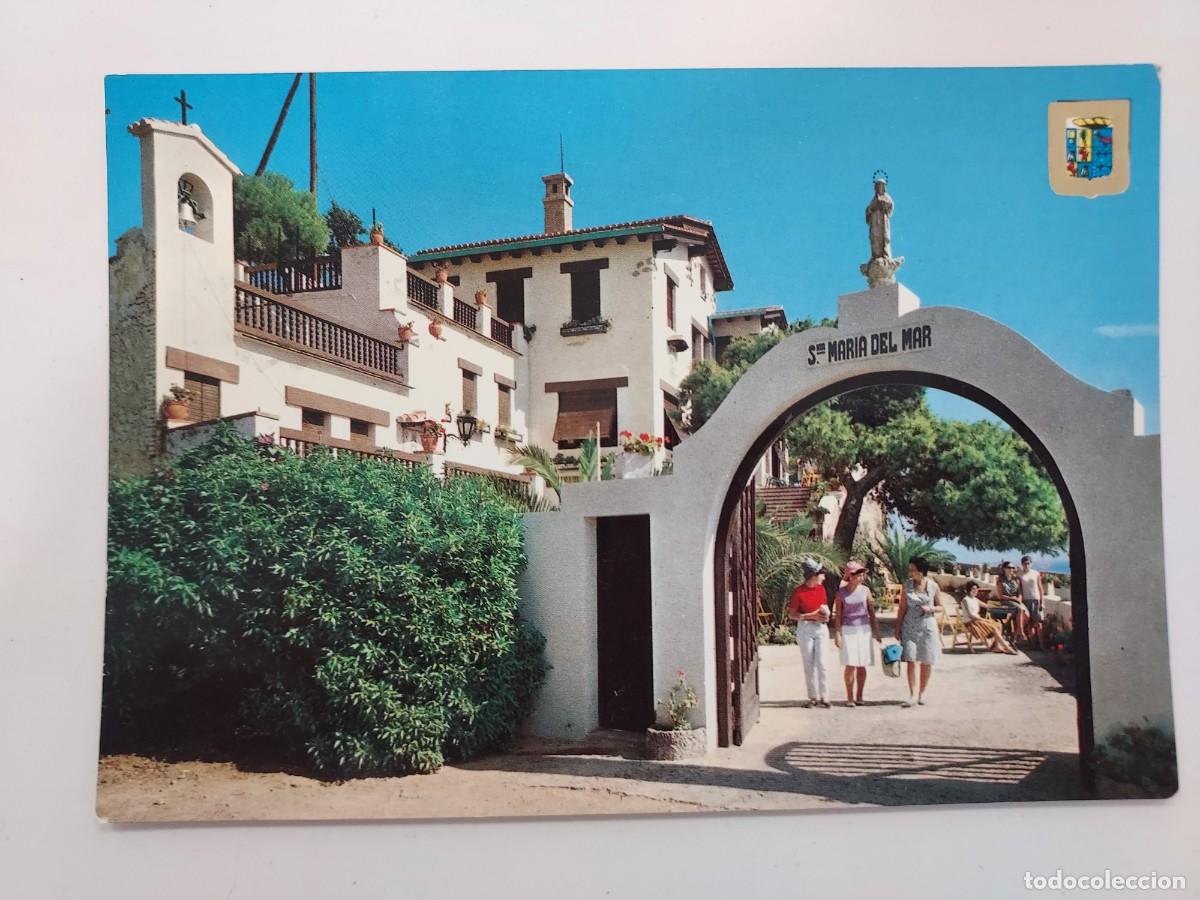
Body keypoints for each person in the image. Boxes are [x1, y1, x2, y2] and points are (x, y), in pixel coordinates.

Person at [832, 560, 881, 706]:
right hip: (848, 630)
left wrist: (877, 632)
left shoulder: (865, 591)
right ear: (850, 576)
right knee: (850, 664)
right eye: (858, 574)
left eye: (862, 574)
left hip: (864, 630)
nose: (861, 577)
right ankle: (850, 697)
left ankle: (860, 695)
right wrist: (837, 634)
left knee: (862, 664)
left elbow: (872, 613)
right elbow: (838, 615)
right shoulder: (841, 593)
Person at [896, 556, 940, 706]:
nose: (910, 573)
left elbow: (941, 607)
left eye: (913, 570)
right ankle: (912, 694)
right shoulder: (906, 585)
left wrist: (931, 608)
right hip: (909, 626)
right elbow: (902, 608)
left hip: (927, 626)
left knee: (926, 661)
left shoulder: (933, 586)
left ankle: (922, 694)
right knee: (910, 660)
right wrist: (898, 628)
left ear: (921, 571)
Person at [787, 558, 832, 708]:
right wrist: (810, 616)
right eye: (821, 574)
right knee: (809, 663)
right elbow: (792, 614)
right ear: (813, 575)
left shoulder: (821, 589)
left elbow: (823, 606)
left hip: (820, 627)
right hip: (805, 627)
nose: (823, 577)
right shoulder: (798, 592)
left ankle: (825, 696)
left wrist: (826, 615)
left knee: (822, 663)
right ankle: (813, 696)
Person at [960, 580, 1017, 654]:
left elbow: (987, 606)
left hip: (978, 620)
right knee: (993, 627)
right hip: (971, 623)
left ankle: (997, 647)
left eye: (976, 589)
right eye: (973, 589)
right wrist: (984, 620)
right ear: (968, 590)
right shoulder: (965, 600)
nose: (975, 591)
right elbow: (971, 615)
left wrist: (1002, 609)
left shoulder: (975, 599)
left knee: (998, 625)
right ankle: (1007, 647)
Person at [993, 561, 1028, 644]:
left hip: (1016, 600)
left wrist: (1019, 598)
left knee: (1027, 615)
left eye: (1013, 568)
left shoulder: (1016, 579)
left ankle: (1014, 634)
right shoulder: (1000, 580)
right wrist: (1012, 598)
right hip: (1006, 600)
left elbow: (1019, 592)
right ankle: (1021, 632)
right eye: (1009, 567)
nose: (1011, 569)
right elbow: (1000, 596)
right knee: (1020, 609)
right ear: (1004, 569)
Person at [1020, 555, 1047, 650]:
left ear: (1031, 564)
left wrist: (1042, 602)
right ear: (1022, 564)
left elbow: (1040, 588)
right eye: (1024, 564)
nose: (1026, 565)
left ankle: (1042, 644)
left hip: (1036, 600)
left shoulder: (1036, 573)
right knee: (1030, 624)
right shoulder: (1020, 575)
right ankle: (1032, 644)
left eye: (1028, 563)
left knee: (1038, 623)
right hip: (1025, 601)